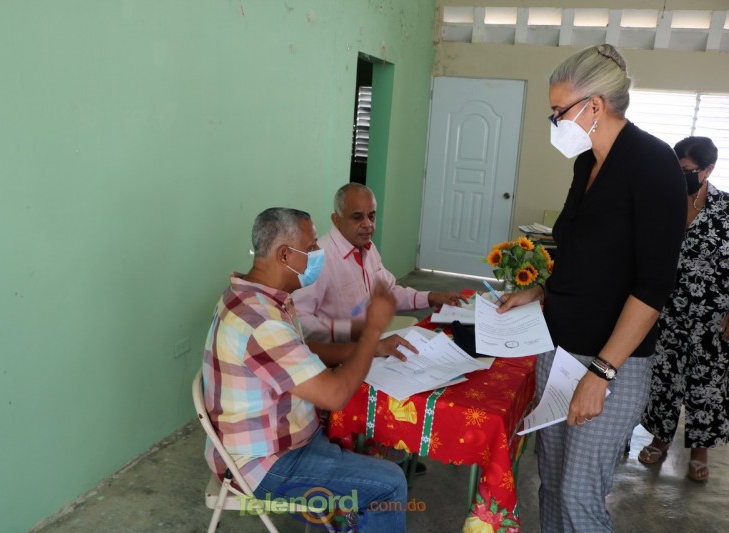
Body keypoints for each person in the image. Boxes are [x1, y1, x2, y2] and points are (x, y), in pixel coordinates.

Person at [497, 44, 687, 531]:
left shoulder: (653, 164)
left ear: (595, 106)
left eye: (558, 111)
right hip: (559, 350)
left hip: (609, 363)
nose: (554, 122)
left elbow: (652, 287)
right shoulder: (587, 162)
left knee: (579, 495)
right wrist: (541, 291)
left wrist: (600, 374)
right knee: (551, 483)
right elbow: (581, 252)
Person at [201, 207, 409, 531]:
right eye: (311, 248)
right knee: (390, 484)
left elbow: (301, 351)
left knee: (366, 440)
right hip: (267, 464)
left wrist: (371, 348)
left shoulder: (251, 295)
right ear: (284, 255)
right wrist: (371, 332)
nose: (317, 254)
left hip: (275, 442)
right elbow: (334, 394)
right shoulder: (262, 321)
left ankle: (352, 520)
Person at [639, 136, 729, 482]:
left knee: (706, 382)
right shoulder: (663, 201)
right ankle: (659, 440)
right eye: (676, 169)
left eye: (688, 170)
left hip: (713, 314)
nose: (681, 176)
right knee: (663, 377)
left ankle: (700, 450)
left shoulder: (725, 207)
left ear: (708, 170)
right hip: (664, 309)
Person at [293, 182, 465, 343]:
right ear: (337, 220)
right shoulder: (319, 258)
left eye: (372, 216)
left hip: (368, 342)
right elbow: (297, 319)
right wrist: (347, 330)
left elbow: (388, 292)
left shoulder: (368, 248)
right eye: (357, 217)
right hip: (335, 352)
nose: (368, 224)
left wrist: (431, 297)